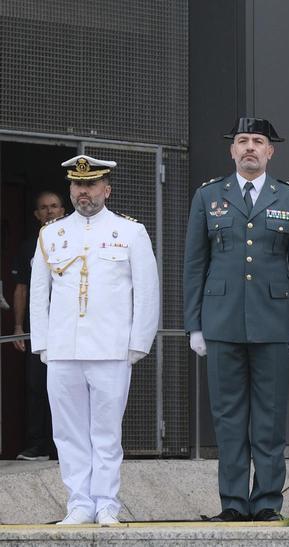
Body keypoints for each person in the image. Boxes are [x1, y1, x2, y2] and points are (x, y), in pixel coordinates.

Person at [183, 117, 289, 522]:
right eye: (243, 141)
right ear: (232, 150)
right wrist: (195, 324)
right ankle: (234, 503)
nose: (250, 148)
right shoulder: (209, 196)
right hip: (221, 322)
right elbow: (194, 264)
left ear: (271, 151)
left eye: (258, 141)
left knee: (270, 418)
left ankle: (267, 503)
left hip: (274, 323)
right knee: (228, 418)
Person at [29, 156, 159, 525]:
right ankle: (79, 503)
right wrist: (43, 343)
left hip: (110, 346)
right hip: (63, 347)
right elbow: (40, 293)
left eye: (90, 185)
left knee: (105, 431)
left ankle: (106, 504)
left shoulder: (130, 232)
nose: (83, 193)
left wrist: (138, 342)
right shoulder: (51, 234)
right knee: (67, 432)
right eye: (76, 186)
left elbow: (147, 291)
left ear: (107, 189)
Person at [11, 190, 66, 461]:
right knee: (36, 386)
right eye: (44, 208)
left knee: (67, 387)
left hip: (69, 328)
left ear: (63, 210)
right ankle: (37, 445)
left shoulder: (74, 240)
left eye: (54, 206)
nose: (49, 211)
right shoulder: (28, 245)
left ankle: (62, 448)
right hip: (38, 329)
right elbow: (21, 288)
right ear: (36, 214)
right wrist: (19, 326)